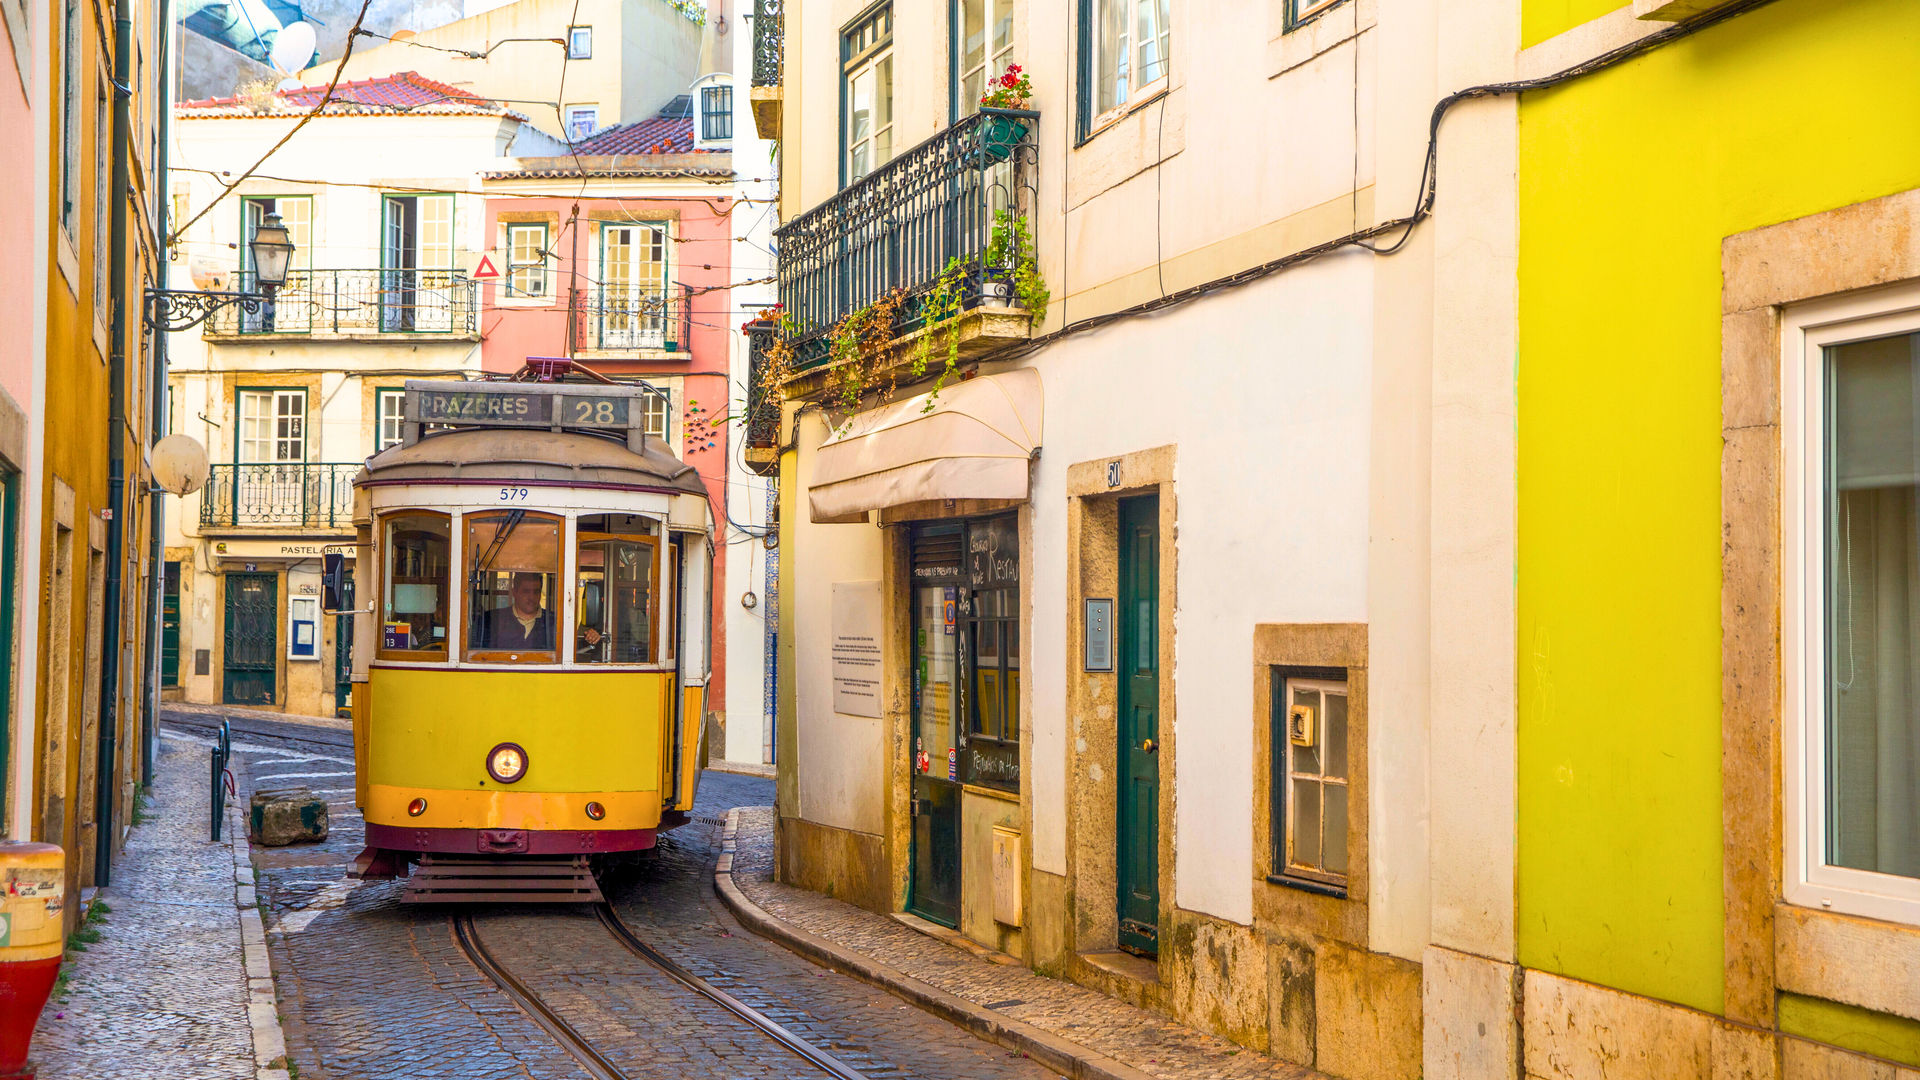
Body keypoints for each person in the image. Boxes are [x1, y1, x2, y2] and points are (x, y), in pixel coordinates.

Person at [481, 571, 555, 651]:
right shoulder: (491, 619)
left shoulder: (554, 622)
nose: (532, 597)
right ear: (514, 592)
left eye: (536, 592)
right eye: (526, 591)